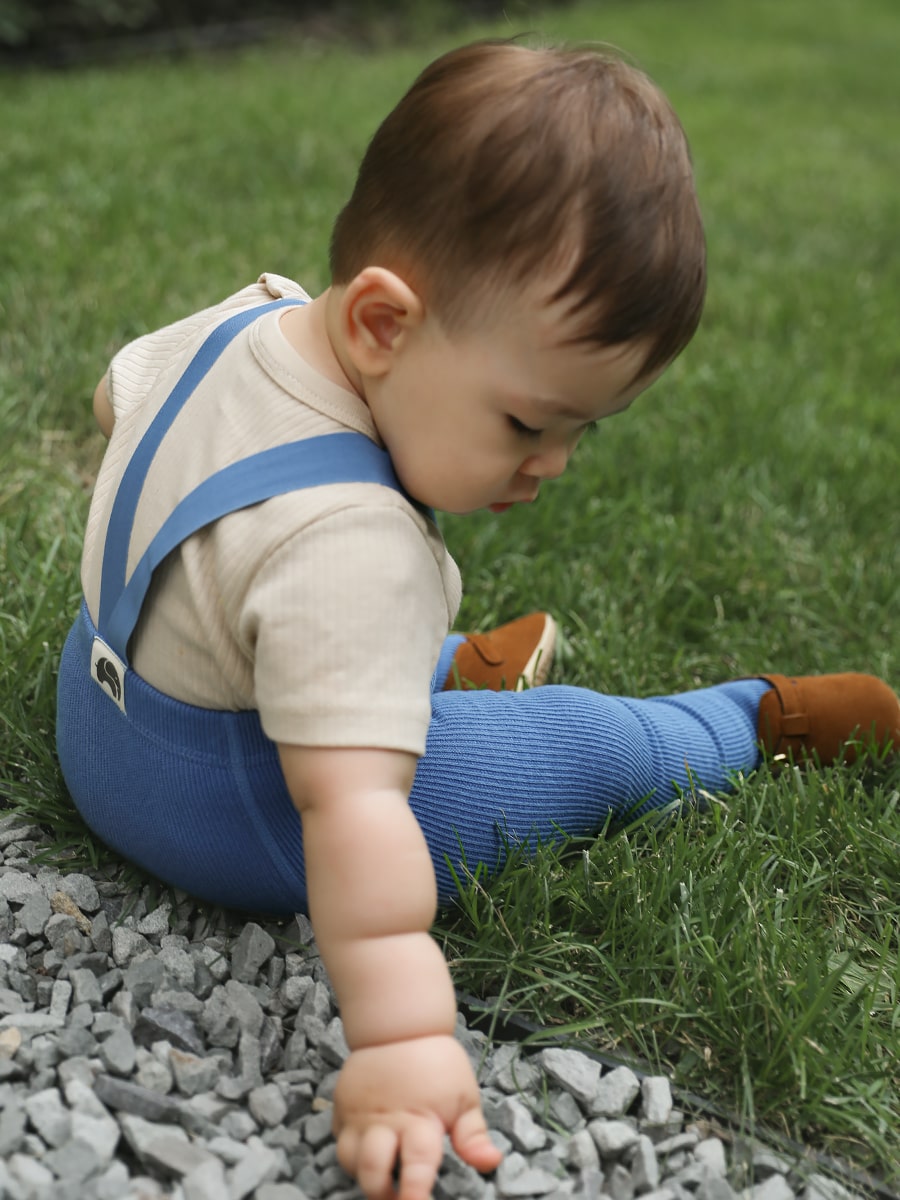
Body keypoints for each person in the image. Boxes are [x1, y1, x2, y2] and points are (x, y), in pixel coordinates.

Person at [56, 39, 899, 1200]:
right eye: (527, 423)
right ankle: (750, 723)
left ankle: (431, 667)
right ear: (384, 328)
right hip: (221, 808)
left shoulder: (240, 320)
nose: (552, 463)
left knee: (293, 620)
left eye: (579, 433)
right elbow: (350, 818)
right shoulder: (352, 544)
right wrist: (401, 1040)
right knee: (585, 746)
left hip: (101, 693)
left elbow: (116, 401)